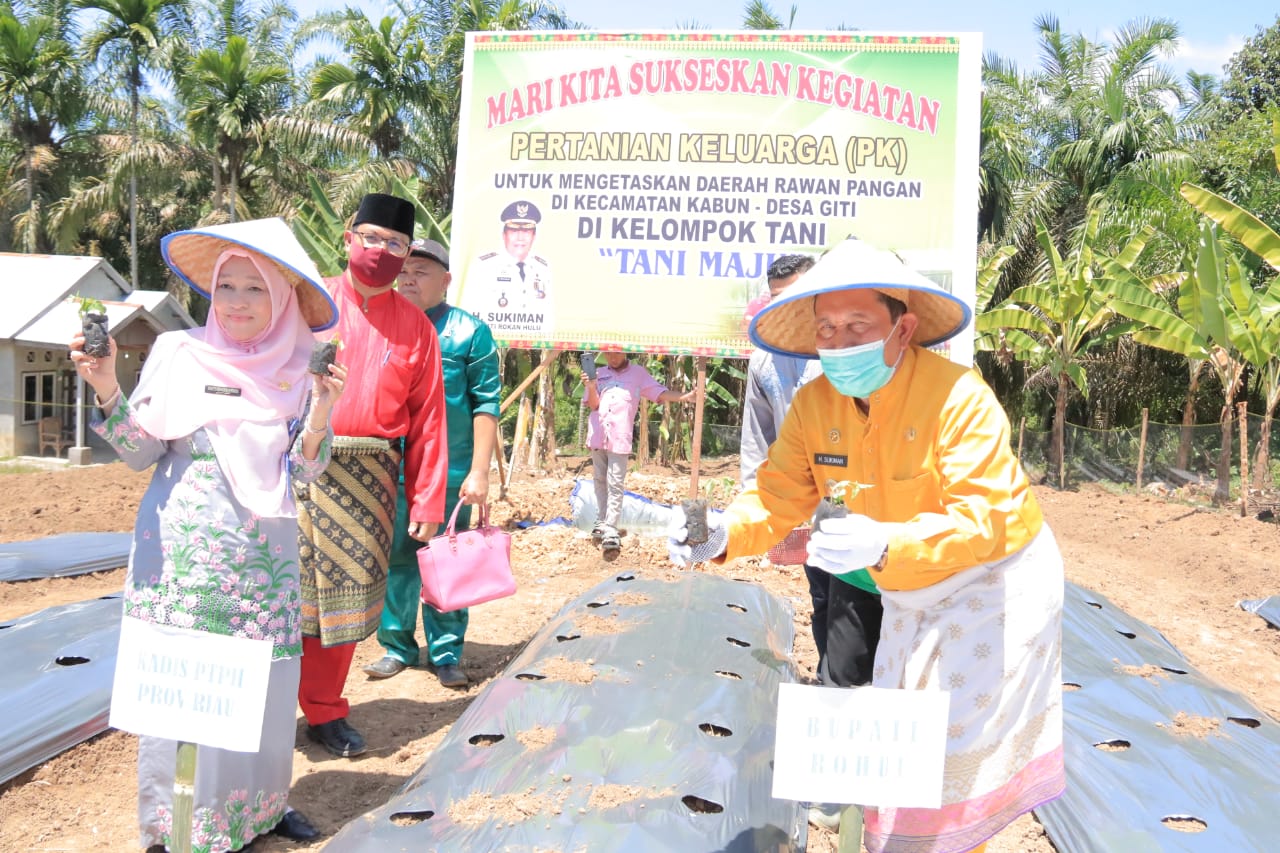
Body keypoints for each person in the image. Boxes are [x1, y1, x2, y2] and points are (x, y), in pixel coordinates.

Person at [669, 238, 1065, 853]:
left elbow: (984, 518)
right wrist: (723, 532)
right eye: (826, 328)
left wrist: (887, 541)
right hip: (903, 583)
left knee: (949, 751)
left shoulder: (959, 398)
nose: (840, 341)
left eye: (859, 325)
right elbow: (776, 499)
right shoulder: (811, 406)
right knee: (905, 739)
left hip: (991, 584)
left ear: (903, 330)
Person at [70, 218, 347, 851]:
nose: (239, 302)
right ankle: (174, 828)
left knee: (261, 694)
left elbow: (305, 470)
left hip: (261, 563)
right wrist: (107, 385)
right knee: (181, 694)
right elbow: (140, 453)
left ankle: (259, 812)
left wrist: (323, 410)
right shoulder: (177, 353)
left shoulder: (303, 367)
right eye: (227, 288)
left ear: (280, 298)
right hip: (181, 560)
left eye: (256, 288)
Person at [295, 193, 449, 758]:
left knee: (341, 600)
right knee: (280, 591)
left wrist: (428, 500)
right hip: (292, 465)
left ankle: (325, 711)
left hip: (370, 478)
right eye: (372, 238)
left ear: (408, 254)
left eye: (396, 244)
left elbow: (430, 417)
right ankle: (263, 703)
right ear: (347, 237)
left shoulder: (417, 329)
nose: (381, 251)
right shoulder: (306, 304)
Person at [365, 238, 501, 687]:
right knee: (398, 561)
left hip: (451, 470)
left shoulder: (469, 332)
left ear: (444, 281)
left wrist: (480, 471)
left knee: (446, 559)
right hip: (391, 469)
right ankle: (397, 646)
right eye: (403, 270)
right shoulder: (383, 326)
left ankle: (445, 652)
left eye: (420, 272)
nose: (408, 278)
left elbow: (486, 405)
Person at [583, 351, 693, 555]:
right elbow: (593, 404)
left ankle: (611, 529)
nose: (613, 358)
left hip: (619, 436)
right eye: (608, 354)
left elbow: (659, 393)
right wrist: (590, 386)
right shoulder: (598, 373)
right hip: (599, 434)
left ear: (624, 352)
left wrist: (685, 397)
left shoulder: (638, 374)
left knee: (615, 482)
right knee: (599, 479)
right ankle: (602, 519)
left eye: (616, 354)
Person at [470, 200, 553, 338]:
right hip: (490, 342)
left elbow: (549, 316)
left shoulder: (543, 269)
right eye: (514, 230)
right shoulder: (484, 267)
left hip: (535, 342)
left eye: (526, 231)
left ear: (534, 236)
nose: (520, 237)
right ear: (504, 235)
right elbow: (472, 313)